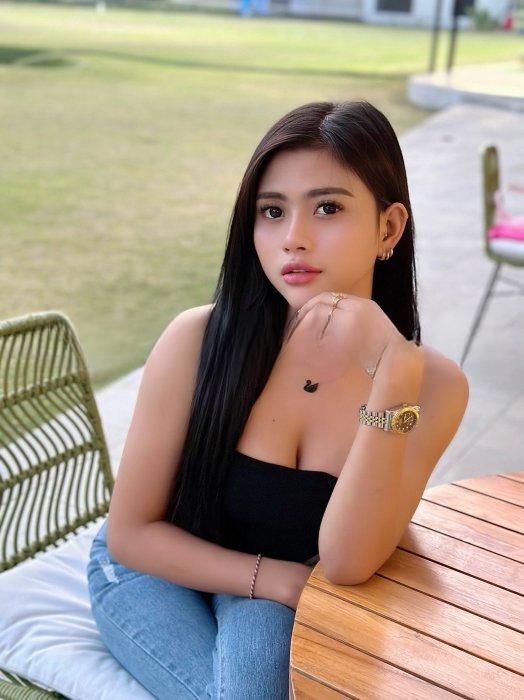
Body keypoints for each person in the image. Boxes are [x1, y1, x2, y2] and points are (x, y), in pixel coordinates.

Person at [86, 99, 469, 699]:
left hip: (275, 586)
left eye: (327, 208)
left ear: (388, 228)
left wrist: (393, 375)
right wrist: (283, 582)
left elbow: (346, 563)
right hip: (152, 570)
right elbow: (131, 533)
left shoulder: (434, 387)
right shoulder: (196, 340)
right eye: (272, 211)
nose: (293, 238)